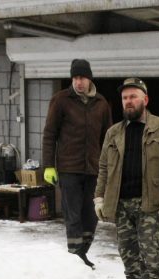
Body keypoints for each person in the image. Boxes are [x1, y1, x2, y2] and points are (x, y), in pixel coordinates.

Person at [94, 78, 159, 279]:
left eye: (133, 96)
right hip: (121, 202)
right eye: (125, 98)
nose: (128, 101)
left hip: (149, 202)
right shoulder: (114, 132)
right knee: (127, 249)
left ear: (145, 99)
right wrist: (99, 197)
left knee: (151, 251)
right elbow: (103, 166)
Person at [42, 59, 113, 267]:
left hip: (93, 169)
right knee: (72, 215)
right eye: (74, 78)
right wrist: (48, 165)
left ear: (89, 78)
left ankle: (82, 253)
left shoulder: (101, 103)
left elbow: (108, 138)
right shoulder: (61, 100)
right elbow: (49, 134)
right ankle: (75, 257)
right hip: (68, 168)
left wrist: (109, 167)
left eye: (82, 77)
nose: (78, 82)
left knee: (91, 215)